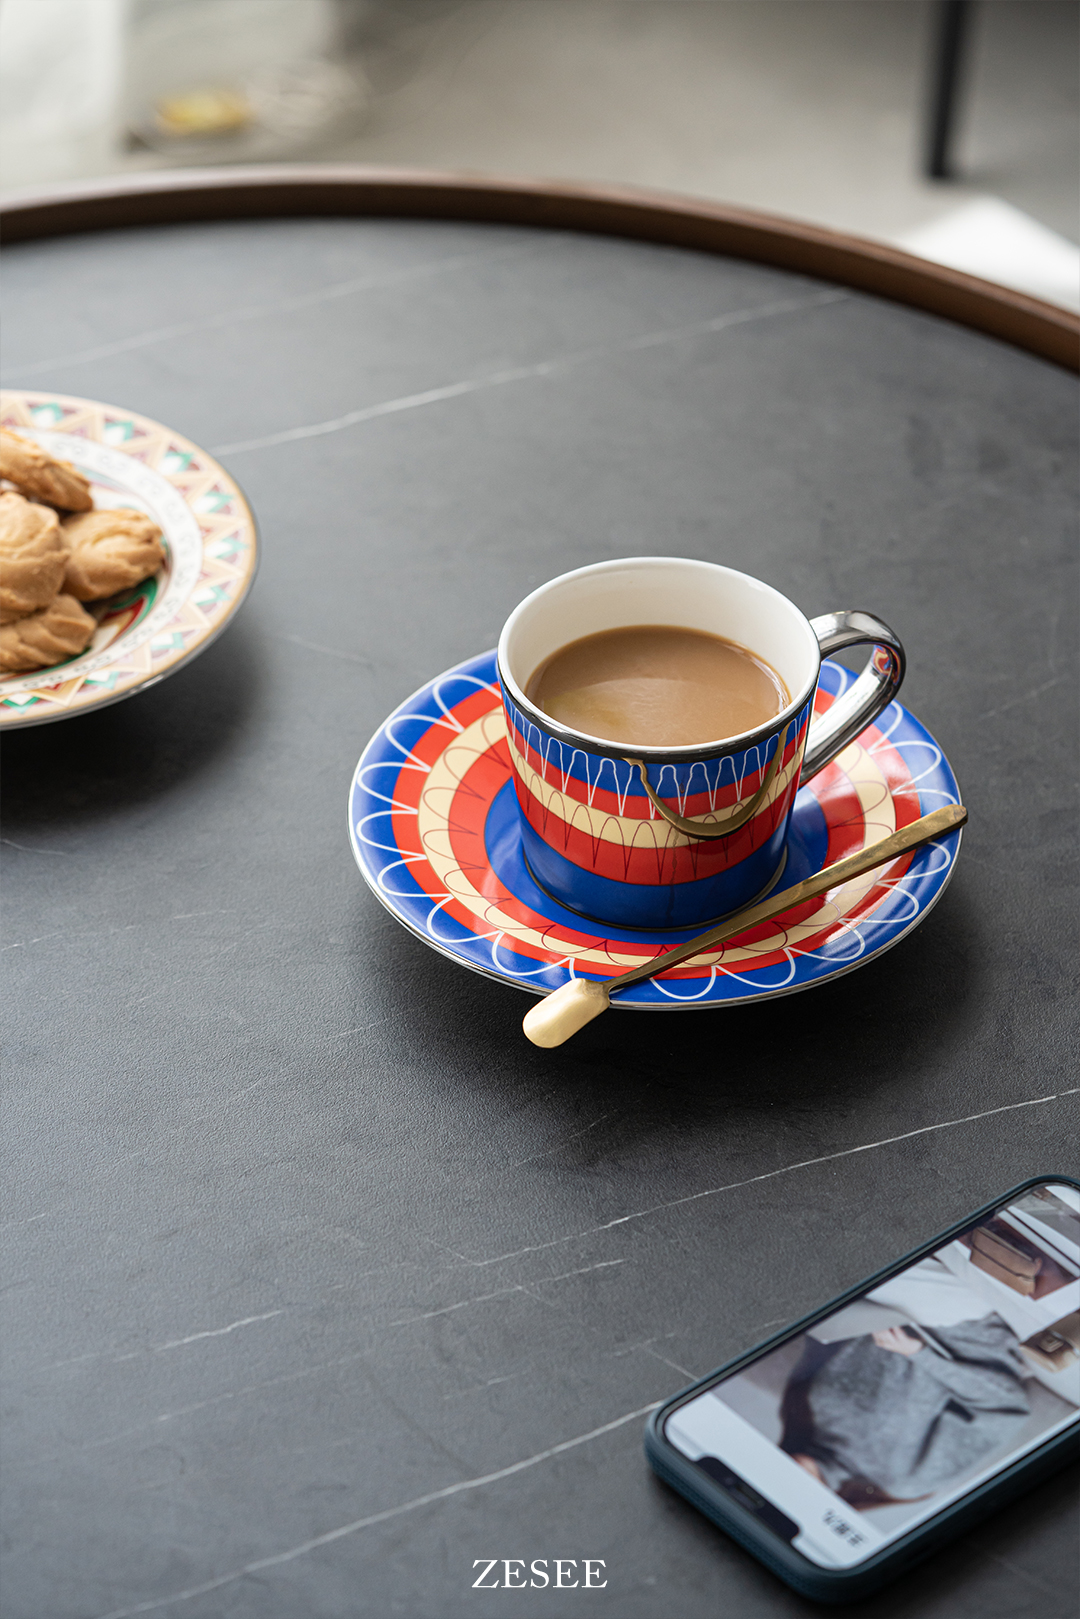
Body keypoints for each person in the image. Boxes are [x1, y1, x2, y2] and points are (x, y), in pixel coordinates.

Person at [778, 1311, 1031, 1507]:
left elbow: (826, 1334)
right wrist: (919, 1354)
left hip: (887, 1306)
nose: (784, 1477)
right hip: (960, 1333)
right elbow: (1005, 1407)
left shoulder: (796, 1415)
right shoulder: (904, 1480)